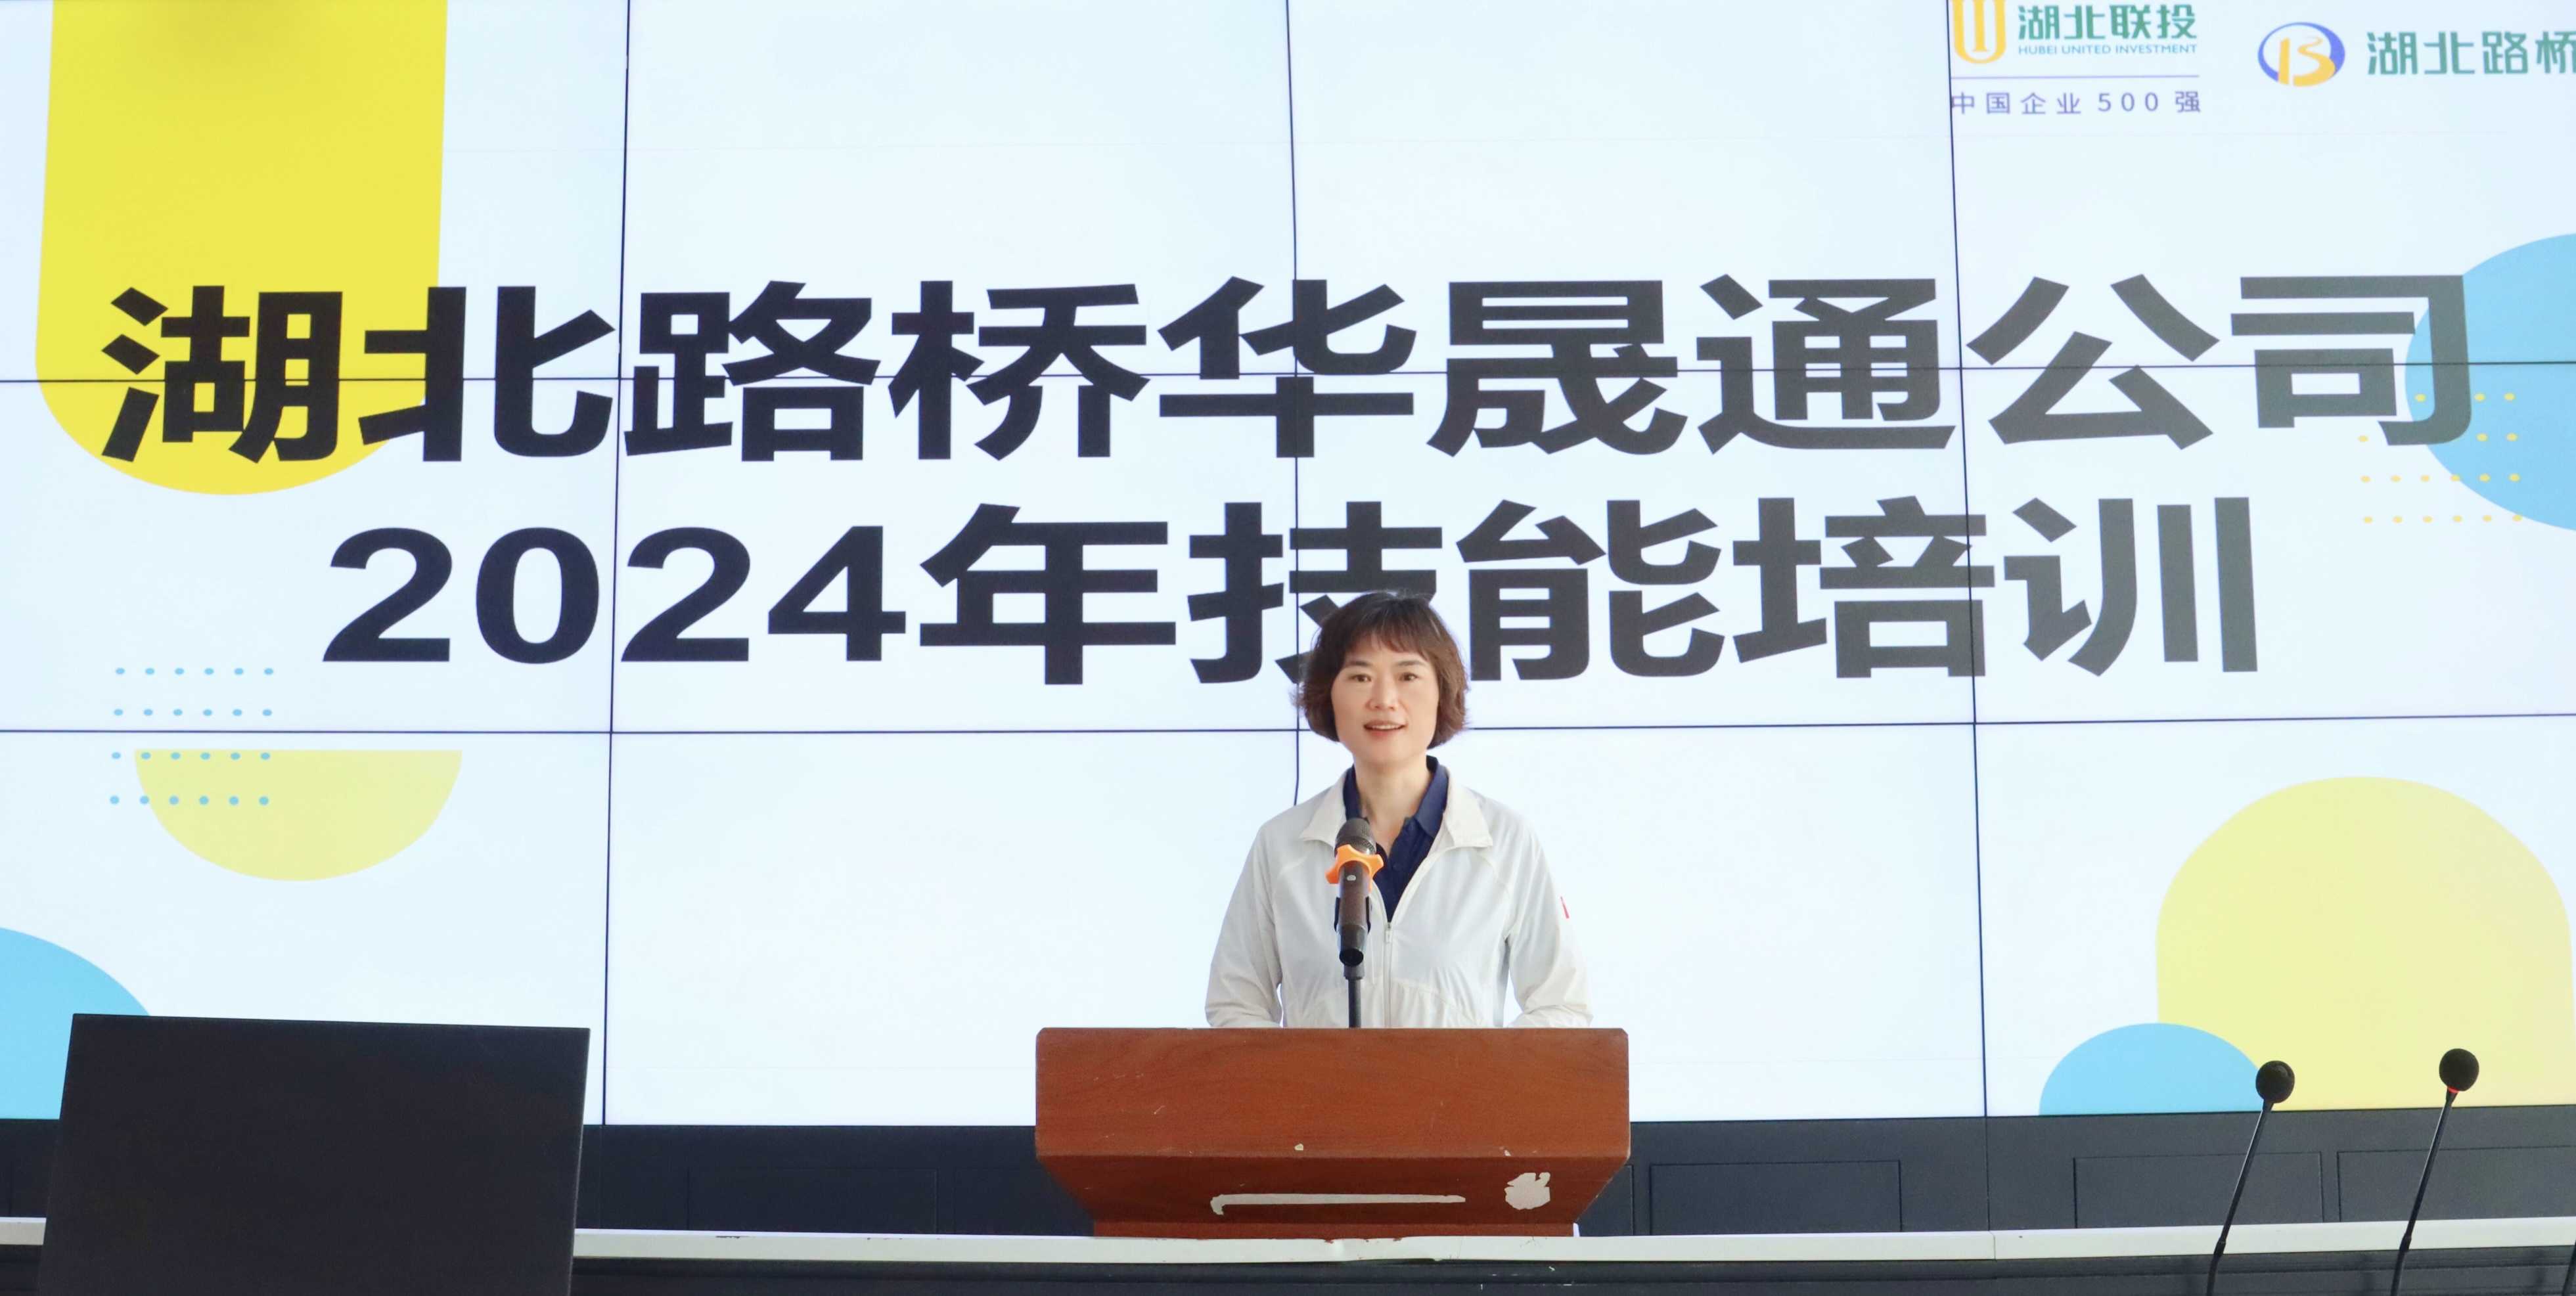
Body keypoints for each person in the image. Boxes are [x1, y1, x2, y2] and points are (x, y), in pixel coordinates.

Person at [1204, 592, 1590, 1028]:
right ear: (1329, 694)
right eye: (1360, 676)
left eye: (1408, 676)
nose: (1384, 699)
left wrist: (1482, 1070)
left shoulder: (1503, 839)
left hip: (1461, 1078)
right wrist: (1297, 1073)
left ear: (1442, 691)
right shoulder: (1282, 844)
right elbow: (1235, 1001)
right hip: (1318, 1080)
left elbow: (1562, 1004)